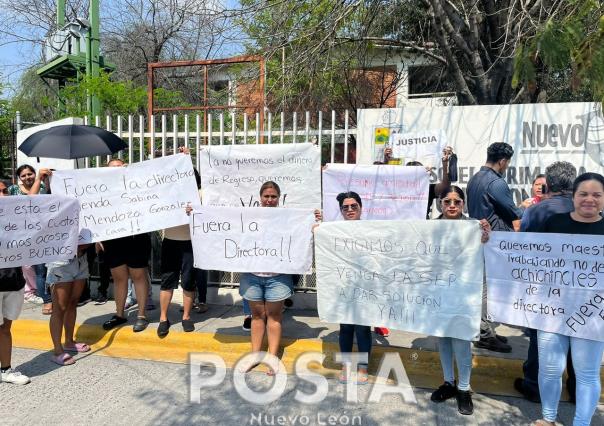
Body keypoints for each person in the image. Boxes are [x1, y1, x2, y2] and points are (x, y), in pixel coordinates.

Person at [532, 172, 604, 426]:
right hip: (553, 310)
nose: (589, 200)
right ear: (573, 197)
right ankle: (548, 419)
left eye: (596, 195)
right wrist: (489, 238)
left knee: (586, 374)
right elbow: (523, 252)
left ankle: (581, 423)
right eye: (583, 194)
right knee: (549, 370)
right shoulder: (554, 223)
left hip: (592, 314)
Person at [515, 162, 577, 404]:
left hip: (543, 285)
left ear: (547, 184)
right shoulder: (583, 206)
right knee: (576, 333)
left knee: (540, 334)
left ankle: (533, 385)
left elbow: (524, 244)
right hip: (578, 285)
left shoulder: (536, 211)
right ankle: (575, 388)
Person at [429, 186, 490, 415]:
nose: (452, 205)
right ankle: (448, 383)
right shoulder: (430, 228)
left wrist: (485, 236)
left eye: (457, 201)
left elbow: (486, 252)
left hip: (464, 294)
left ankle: (464, 388)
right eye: (447, 201)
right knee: (443, 338)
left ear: (463, 204)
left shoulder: (473, 226)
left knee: (462, 341)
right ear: (440, 204)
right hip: (438, 292)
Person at [467, 142, 521, 353]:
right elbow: (513, 211)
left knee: (485, 288)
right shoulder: (496, 183)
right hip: (493, 243)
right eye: (507, 163)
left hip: (481, 239)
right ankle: (484, 333)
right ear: (503, 161)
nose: (506, 167)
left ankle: (485, 329)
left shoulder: (475, 179)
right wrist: (530, 208)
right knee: (487, 291)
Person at [99, 158, 152, 333]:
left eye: (120, 167)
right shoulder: (100, 188)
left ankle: (142, 315)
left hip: (136, 236)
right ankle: (120, 314)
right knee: (119, 277)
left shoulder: (137, 184)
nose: (116, 170)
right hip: (113, 238)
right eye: (112, 168)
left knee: (139, 275)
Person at [157, 167, 205, 337]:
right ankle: (163, 318)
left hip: (190, 243)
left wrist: (195, 211)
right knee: (167, 280)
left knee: (188, 280)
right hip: (170, 242)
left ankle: (186, 316)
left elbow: (208, 214)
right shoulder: (168, 194)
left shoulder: (201, 194)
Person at [334, 191, 372, 384]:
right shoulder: (334, 230)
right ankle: (345, 364)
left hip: (366, 287)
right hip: (343, 287)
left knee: (363, 328)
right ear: (341, 210)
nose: (350, 210)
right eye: (345, 207)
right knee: (346, 327)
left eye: (353, 206)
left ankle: (363, 366)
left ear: (360, 207)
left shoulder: (371, 230)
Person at [9, 165, 52, 314]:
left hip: (48, 233)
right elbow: (28, 203)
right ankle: (46, 301)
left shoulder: (43, 186)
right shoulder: (13, 190)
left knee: (49, 269)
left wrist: (48, 181)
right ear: (19, 178)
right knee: (39, 270)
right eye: (24, 175)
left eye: (30, 174)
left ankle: (51, 297)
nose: (28, 177)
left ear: (34, 174)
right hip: (27, 236)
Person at [0, 181, 31, 384]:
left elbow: (34, 207)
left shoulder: (16, 218)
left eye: (4, 190)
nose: (3, 195)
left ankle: (5, 370)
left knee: (5, 328)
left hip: (13, 282)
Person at [47, 245, 92, 365]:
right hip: (60, 260)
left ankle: (69, 341)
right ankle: (57, 350)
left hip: (81, 258)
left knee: (73, 302)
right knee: (59, 308)